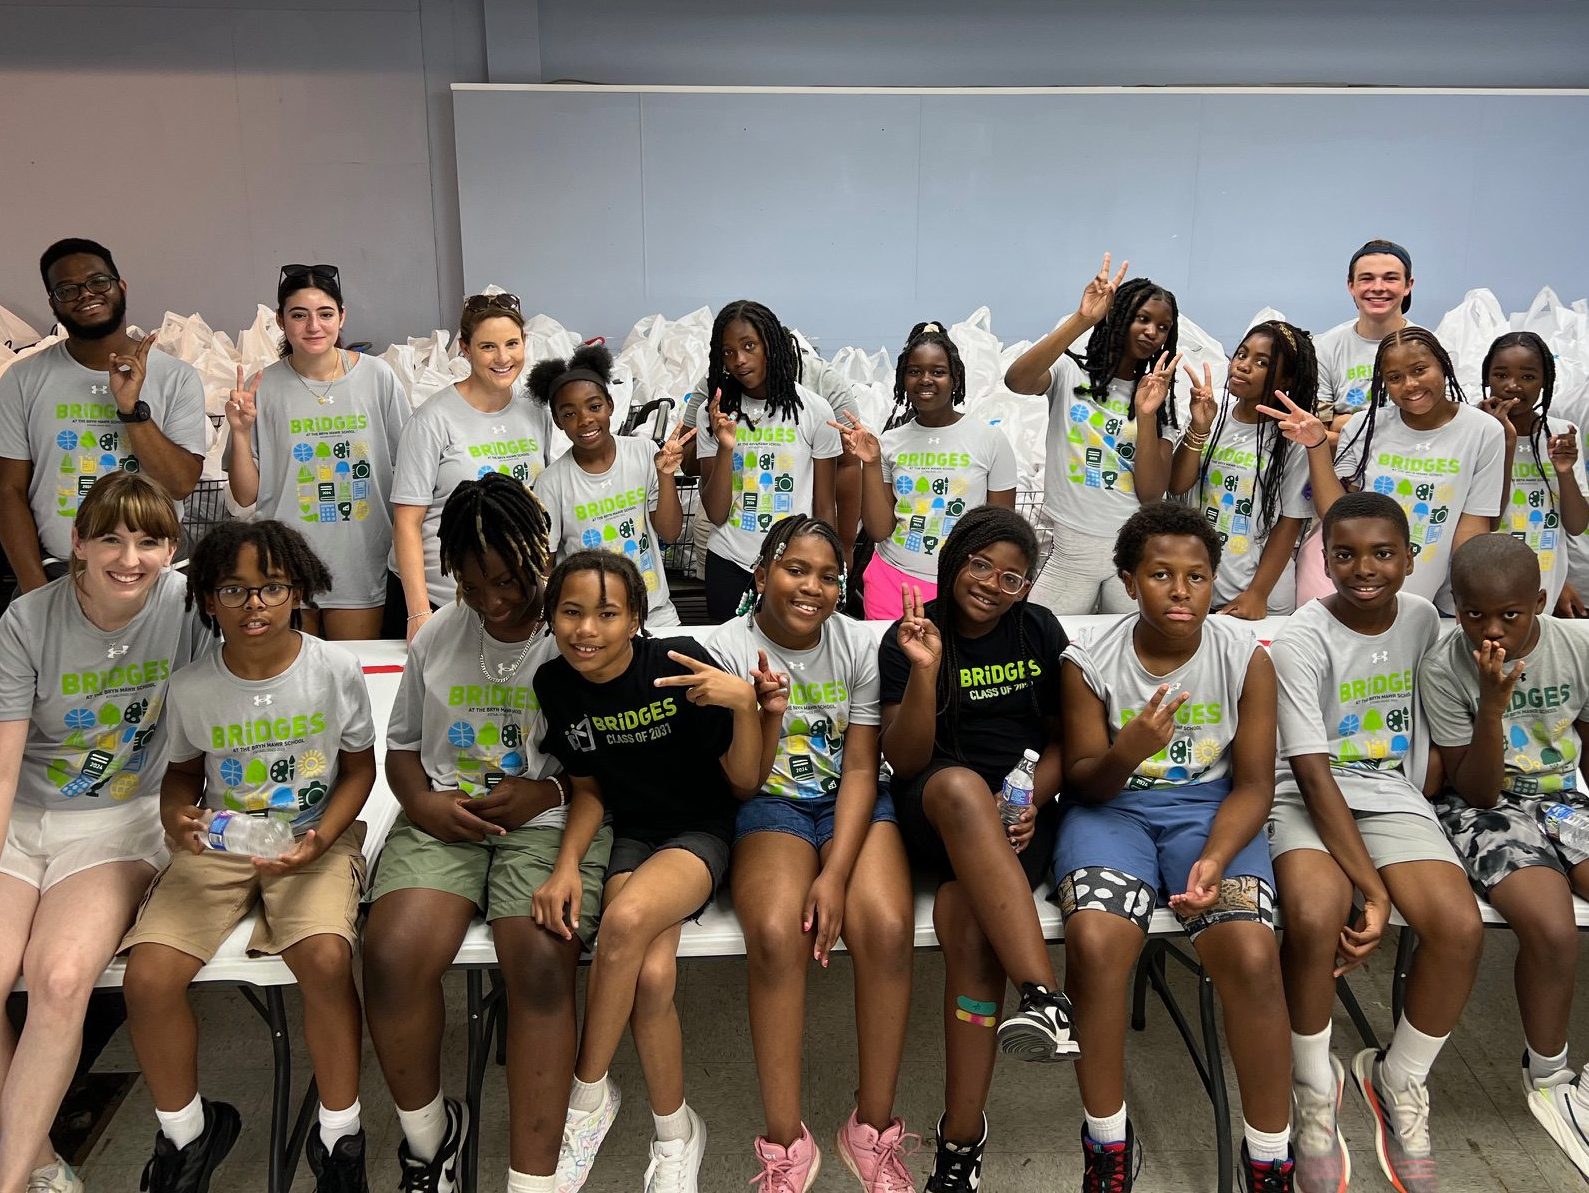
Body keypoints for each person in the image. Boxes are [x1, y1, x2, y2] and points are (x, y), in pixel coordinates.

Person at [363, 473, 612, 1193]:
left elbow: (621, 762)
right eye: (472, 586)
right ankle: (431, 1137)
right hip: (445, 817)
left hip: (552, 820)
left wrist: (548, 789)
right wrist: (422, 805)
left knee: (537, 960)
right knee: (391, 952)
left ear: (543, 549)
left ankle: (531, 1179)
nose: (493, 600)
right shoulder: (440, 632)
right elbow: (403, 746)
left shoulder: (580, 633)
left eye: (508, 579)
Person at [120, 521, 376, 1193]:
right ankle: (187, 1133)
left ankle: (339, 1135)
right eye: (234, 588)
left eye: (270, 587)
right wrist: (177, 817)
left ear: (298, 592)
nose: (253, 604)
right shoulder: (192, 686)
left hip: (314, 836)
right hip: (223, 842)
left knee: (324, 956)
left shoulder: (333, 669)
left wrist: (320, 839)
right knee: (146, 977)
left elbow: (358, 771)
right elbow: (182, 777)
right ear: (206, 597)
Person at [1056, 501, 1293, 1192]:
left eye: (1197, 574)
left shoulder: (1244, 657)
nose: (1181, 589)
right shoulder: (1087, 660)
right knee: (1097, 943)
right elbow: (1084, 783)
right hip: (1112, 810)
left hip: (1209, 813)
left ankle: (1269, 1155)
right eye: (1160, 573)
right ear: (1128, 580)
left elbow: (1252, 785)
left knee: (1250, 953)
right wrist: (1126, 749)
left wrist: (1216, 855)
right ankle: (1106, 1142)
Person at [1266, 492, 1483, 1192]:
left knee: (1456, 925)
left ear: (1410, 557)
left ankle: (1396, 1078)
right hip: (1304, 795)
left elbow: (1442, 711)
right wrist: (1373, 888)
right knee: (1310, 915)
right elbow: (1309, 767)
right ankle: (1313, 1089)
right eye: (1345, 554)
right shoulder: (1301, 635)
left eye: (1382, 553)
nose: (1364, 568)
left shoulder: (1423, 619)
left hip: (1388, 797)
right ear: (1323, 559)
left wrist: (1387, 869)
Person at [532, 552, 766, 1193]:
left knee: (626, 923)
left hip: (702, 833)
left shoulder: (679, 662)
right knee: (652, 974)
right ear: (552, 617)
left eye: (607, 614)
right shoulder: (556, 685)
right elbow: (588, 791)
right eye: (572, 612)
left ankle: (586, 1097)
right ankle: (676, 1137)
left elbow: (744, 783)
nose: (587, 629)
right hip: (634, 835)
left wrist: (745, 704)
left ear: (637, 618)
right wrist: (566, 866)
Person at [0, 473, 203, 1193]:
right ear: (77, 543)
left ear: (171, 549)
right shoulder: (26, 619)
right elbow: (4, 767)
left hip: (121, 820)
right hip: (23, 819)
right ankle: (37, 1157)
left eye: (150, 540)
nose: (130, 555)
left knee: (58, 977)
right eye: (110, 537)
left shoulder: (188, 607)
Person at [712, 516, 917, 1190]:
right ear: (761, 571)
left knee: (885, 928)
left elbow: (861, 768)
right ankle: (783, 1142)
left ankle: (873, 1129)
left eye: (828, 575)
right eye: (796, 568)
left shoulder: (859, 642)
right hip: (768, 802)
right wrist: (753, 709)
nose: (813, 586)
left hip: (851, 800)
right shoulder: (723, 648)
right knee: (775, 932)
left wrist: (833, 874)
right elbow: (740, 780)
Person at [876, 505, 1076, 1193]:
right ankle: (1047, 992)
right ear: (955, 558)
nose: (992, 583)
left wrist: (1030, 800)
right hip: (936, 806)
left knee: (972, 933)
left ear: (1026, 588)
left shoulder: (1037, 630)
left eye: (1012, 576)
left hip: (1016, 820)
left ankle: (959, 1146)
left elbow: (1064, 740)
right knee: (961, 787)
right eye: (980, 564)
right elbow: (902, 761)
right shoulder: (911, 631)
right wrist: (924, 667)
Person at [1419, 534, 1589, 1178]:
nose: (1491, 631)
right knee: (1550, 926)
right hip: (1485, 807)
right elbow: (1475, 787)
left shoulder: (1577, 646)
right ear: (1455, 607)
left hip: (1565, 799)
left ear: (1539, 603)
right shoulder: (1444, 667)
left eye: (1510, 616)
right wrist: (1493, 704)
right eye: (1473, 615)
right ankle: (1549, 1076)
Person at [0, 238, 206, 593]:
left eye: (97, 282)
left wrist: (132, 411)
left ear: (120, 286)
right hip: (61, 572)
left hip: (158, 574)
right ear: (53, 304)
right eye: (67, 289)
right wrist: (34, 589)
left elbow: (180, 484)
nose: (85, 294)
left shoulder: (176, 377)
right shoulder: (23, 378)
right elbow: (9, 490)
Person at [222, 264, 411, 639]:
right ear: (280, 320)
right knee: (295, 684)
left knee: (356, 676)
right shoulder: (264, 386)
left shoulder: (377, 378)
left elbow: (408, 467)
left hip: (360, 559)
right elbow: (246, 496)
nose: (313, 326)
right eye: (298, 315)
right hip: (284, 561)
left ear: (342, 317)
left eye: (325, 314)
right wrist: (241, 433)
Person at [1263, 327, 1505, 613]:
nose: (1410, 384)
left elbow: (1472, 529)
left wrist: (1471, 600)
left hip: (1415, 597)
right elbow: (1336, 513)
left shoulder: (1484, 431)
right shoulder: (1363, 426)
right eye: (1394, 378)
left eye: (1419, 370)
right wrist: (1316, 445)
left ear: (1443, 365)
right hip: (1336, 583)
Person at [1003, 253, 1183, 615]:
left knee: (1129, 654)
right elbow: (1016, 381)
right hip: (1069, 550)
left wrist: (1146, 415)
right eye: (1142, 318)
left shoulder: (1159, 398)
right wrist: (1082, 320)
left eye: (1163, 327)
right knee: (1042, 646)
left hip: (1131, 554)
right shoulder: (1070, 373)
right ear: (1118, 317)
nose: (1152, 332)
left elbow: (1151, 493)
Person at [391, 293, 553, 641]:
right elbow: (407, 521)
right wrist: (418, 612)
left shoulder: (535, 411)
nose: (503, 357)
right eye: (488, 347)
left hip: (515, 601)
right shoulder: (432, 419)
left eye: (512, 343)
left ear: (525, 343)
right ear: (465, 348)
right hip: (445, 602)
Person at [838, 321, 1016, 621]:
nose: (925, 380)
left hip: (960, 588)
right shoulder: (889, 442)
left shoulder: (990, 440)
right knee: (890, 667)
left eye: (938, 372)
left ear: (955, 378)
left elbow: (999, 531)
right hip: (891, 584)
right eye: (914, 371)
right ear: (903, 379)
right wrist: (869, 462)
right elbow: (880, 530)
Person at [693, 300, 844, 619]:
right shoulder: (714, 415)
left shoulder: (814, 410)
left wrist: (833, 568)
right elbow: (717, 513)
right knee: (728, 667)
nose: (739, 360)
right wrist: (725, 446)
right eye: (728, 352)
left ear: (771, 346)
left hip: (796, 566)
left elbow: (824, 504)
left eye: (749, 346)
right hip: (729, 564)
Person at [530, 343, 690, 627]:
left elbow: (670, 531)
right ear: (557, 421)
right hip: (593, 623)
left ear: (610, 406)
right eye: (569, 414)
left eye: (594, 406)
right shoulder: (551, 484)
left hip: (654, 614)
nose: (585, 420)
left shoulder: (642, 452)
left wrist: (666, 476)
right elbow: (546, 567)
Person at [1168, 321, 1318, 617]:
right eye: (1241, 354)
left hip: (1260, 595)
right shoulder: (1212, 407)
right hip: (1199, 584)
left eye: (1261, 362)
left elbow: (1289, 524)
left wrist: (1257, 594)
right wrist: (1199, 428)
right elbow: (1178, 486)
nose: (1243, 366)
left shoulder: (1293, 434)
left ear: (1286, 378)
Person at [1475, 331, 1589, 613]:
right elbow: (1487, 521)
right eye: (1501, 375)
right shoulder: (1473, 431)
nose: (1512, 386)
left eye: (1527, 377)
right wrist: (1507, 443)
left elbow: (1576, 526)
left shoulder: (1561, 433)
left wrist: (1564, 471)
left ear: (1545, 382)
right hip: (1486, 583)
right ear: (1487, 378)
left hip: (1545, 585)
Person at [1314, 240, 1416, 433]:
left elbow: (1429, 425)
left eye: (1390, 278)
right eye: (1366, 278)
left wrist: (1344, 424)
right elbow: (1320, 431)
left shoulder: (1432, 348)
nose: (1378, 287)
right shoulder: (1325, 348)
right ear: (1351, 286)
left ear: (1408, 285)